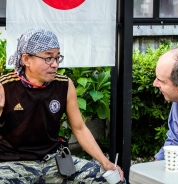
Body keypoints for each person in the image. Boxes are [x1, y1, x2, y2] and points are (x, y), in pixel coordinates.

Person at [0, 28, 124, 183]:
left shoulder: (64, 84)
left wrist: (105, 163)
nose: (55, 64)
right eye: (48, 58)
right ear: (26, 59)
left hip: (53, 160)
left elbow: (79, 128)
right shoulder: (5, 86)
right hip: (13, 163)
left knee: (110, 180)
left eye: (57, 58)